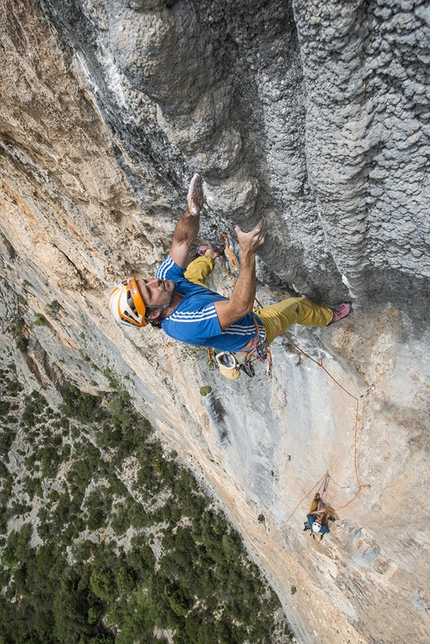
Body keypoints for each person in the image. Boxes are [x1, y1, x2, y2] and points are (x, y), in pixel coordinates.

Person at [110, 174, 351, 355]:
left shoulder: (164, 282)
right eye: (149, 290)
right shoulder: (185, 325)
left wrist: (192, 212)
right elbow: (239, 308)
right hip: (255, 329)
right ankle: (327, 316)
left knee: (189, 275)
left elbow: (182, 240)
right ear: (153, 313)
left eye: (144, 281)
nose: (154, 281)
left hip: (206, 305)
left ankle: (210, 256)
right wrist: (247, 252)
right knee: (297, 307)